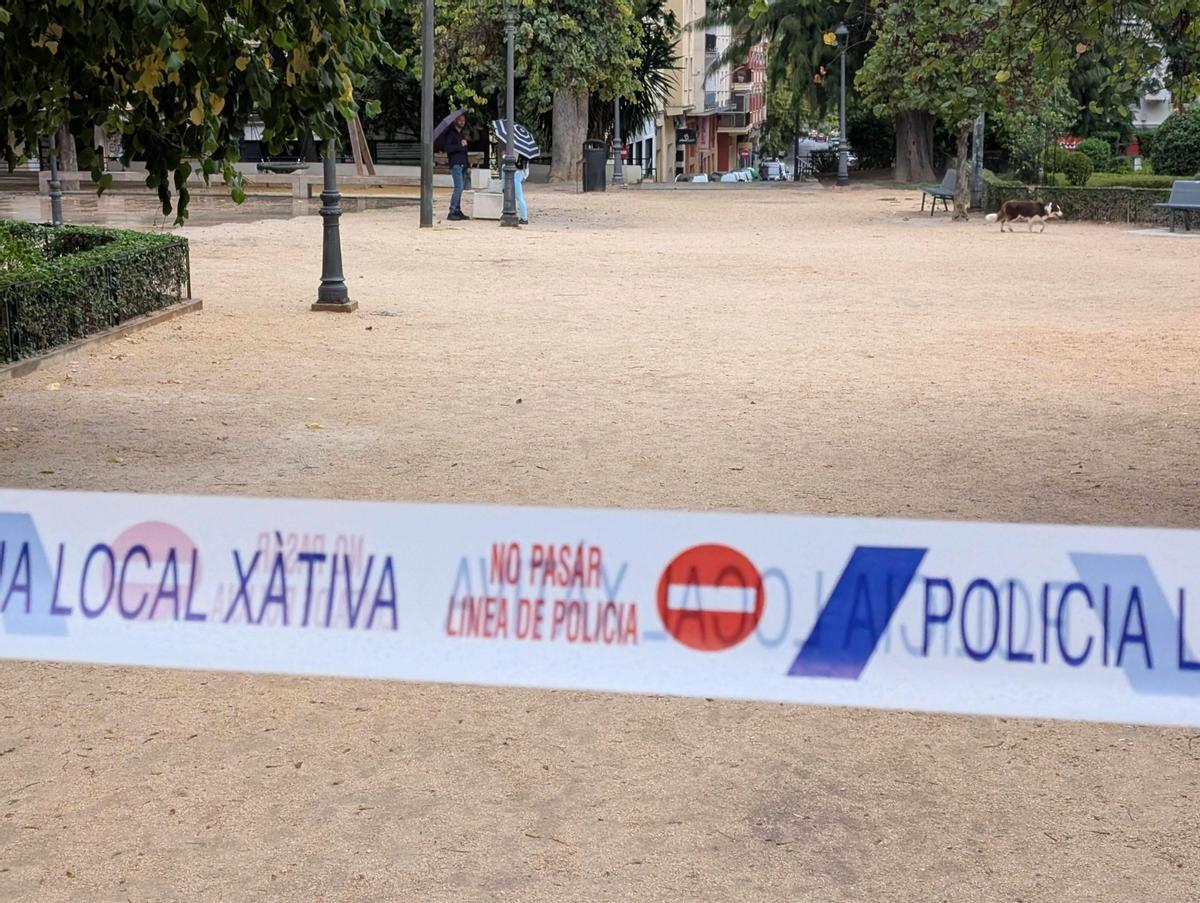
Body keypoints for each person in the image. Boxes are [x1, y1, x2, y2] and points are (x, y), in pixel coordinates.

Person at [443, 113, 469, 221]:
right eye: (460, 120)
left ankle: (457, 210)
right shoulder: (451, 134)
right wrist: (460, 145)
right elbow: (448, 148)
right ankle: (452, 211)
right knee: (458, 187)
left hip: (462, 164)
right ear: (455, 121)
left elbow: (464, 150)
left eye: (463, 120)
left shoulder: (461, 134)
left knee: (461, 188)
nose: (462, 122)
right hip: (456, 164)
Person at [514, 157, 529, 226]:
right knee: (519, 198)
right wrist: (524, 177)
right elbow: (526, 171)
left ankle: (524, 218)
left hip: (517, 174)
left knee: (519, 198)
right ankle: (523, 217)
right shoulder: (525, 158)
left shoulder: (518, 157)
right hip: (520, 174)